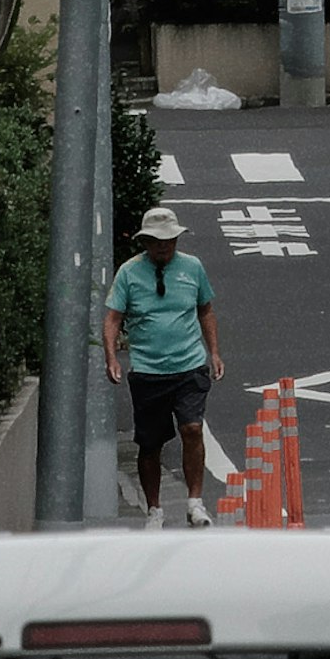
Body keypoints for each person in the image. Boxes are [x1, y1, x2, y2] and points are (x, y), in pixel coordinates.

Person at [100, 197, 220, 521]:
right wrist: (111, 357)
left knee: (192, 428)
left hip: (189, 364)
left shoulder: (192, 267)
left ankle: (195, 502)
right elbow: (113, 318)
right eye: (155, 241)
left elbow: (205, 309)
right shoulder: (129, 273)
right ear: (145, 242)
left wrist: (214, 352)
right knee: (150, 444)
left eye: (168, 240)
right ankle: (155, 509)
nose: (163, 246)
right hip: (148, 370)